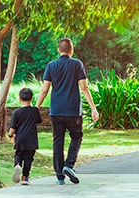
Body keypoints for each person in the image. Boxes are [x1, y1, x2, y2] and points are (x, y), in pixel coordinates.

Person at [36, 38, 99, 185]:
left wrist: (36, 108)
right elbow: (84, 88)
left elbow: (44, 90)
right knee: (76, 137)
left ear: (58, 50)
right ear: (72, 50)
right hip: (73, 111)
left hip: (56, 111)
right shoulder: (77, 64)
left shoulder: (51, 66)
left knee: (58, 142)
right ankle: (68, 165)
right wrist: (93, 108)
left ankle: (59, 176)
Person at [8, 88, 42, 185]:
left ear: (19, 99)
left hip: (20, 138)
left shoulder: (17, 112)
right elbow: (39, 121)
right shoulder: (34, 111)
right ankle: (25, 178)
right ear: (31, 99)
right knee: (28, 158)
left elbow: (13, 127)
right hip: (31, 139)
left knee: (19, 154)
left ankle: (18, 164)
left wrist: (10, 135)